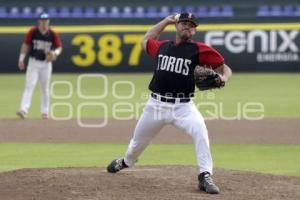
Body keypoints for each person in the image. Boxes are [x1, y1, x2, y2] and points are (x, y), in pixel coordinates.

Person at [107, 13, 232, 194]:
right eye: (183, 23)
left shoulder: (199, 49)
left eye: (191, 24)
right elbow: (146, 40)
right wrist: (165, 21)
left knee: (201, 131)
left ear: (195, 30)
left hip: (183, 107)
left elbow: (224, 68)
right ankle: (126, 161)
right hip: (155, 106)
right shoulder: (162, 47)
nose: (187, 26)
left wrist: (223, 78)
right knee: (137, 144)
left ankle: (205, 175)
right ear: (177, 25)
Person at [17, 12, 62, 119]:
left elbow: (59, 47)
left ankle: (45, 112)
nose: (44, 22)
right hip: (33, 63)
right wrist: (21, 59)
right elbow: (26, 45)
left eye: (46, 20)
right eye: (42, 20)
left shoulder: (52, 34)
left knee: (45, 88)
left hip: (46, 64)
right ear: (39, 21)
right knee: (29, 86)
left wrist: (54, 53)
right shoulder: (33, 32)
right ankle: (23, 109)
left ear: (48, 21)